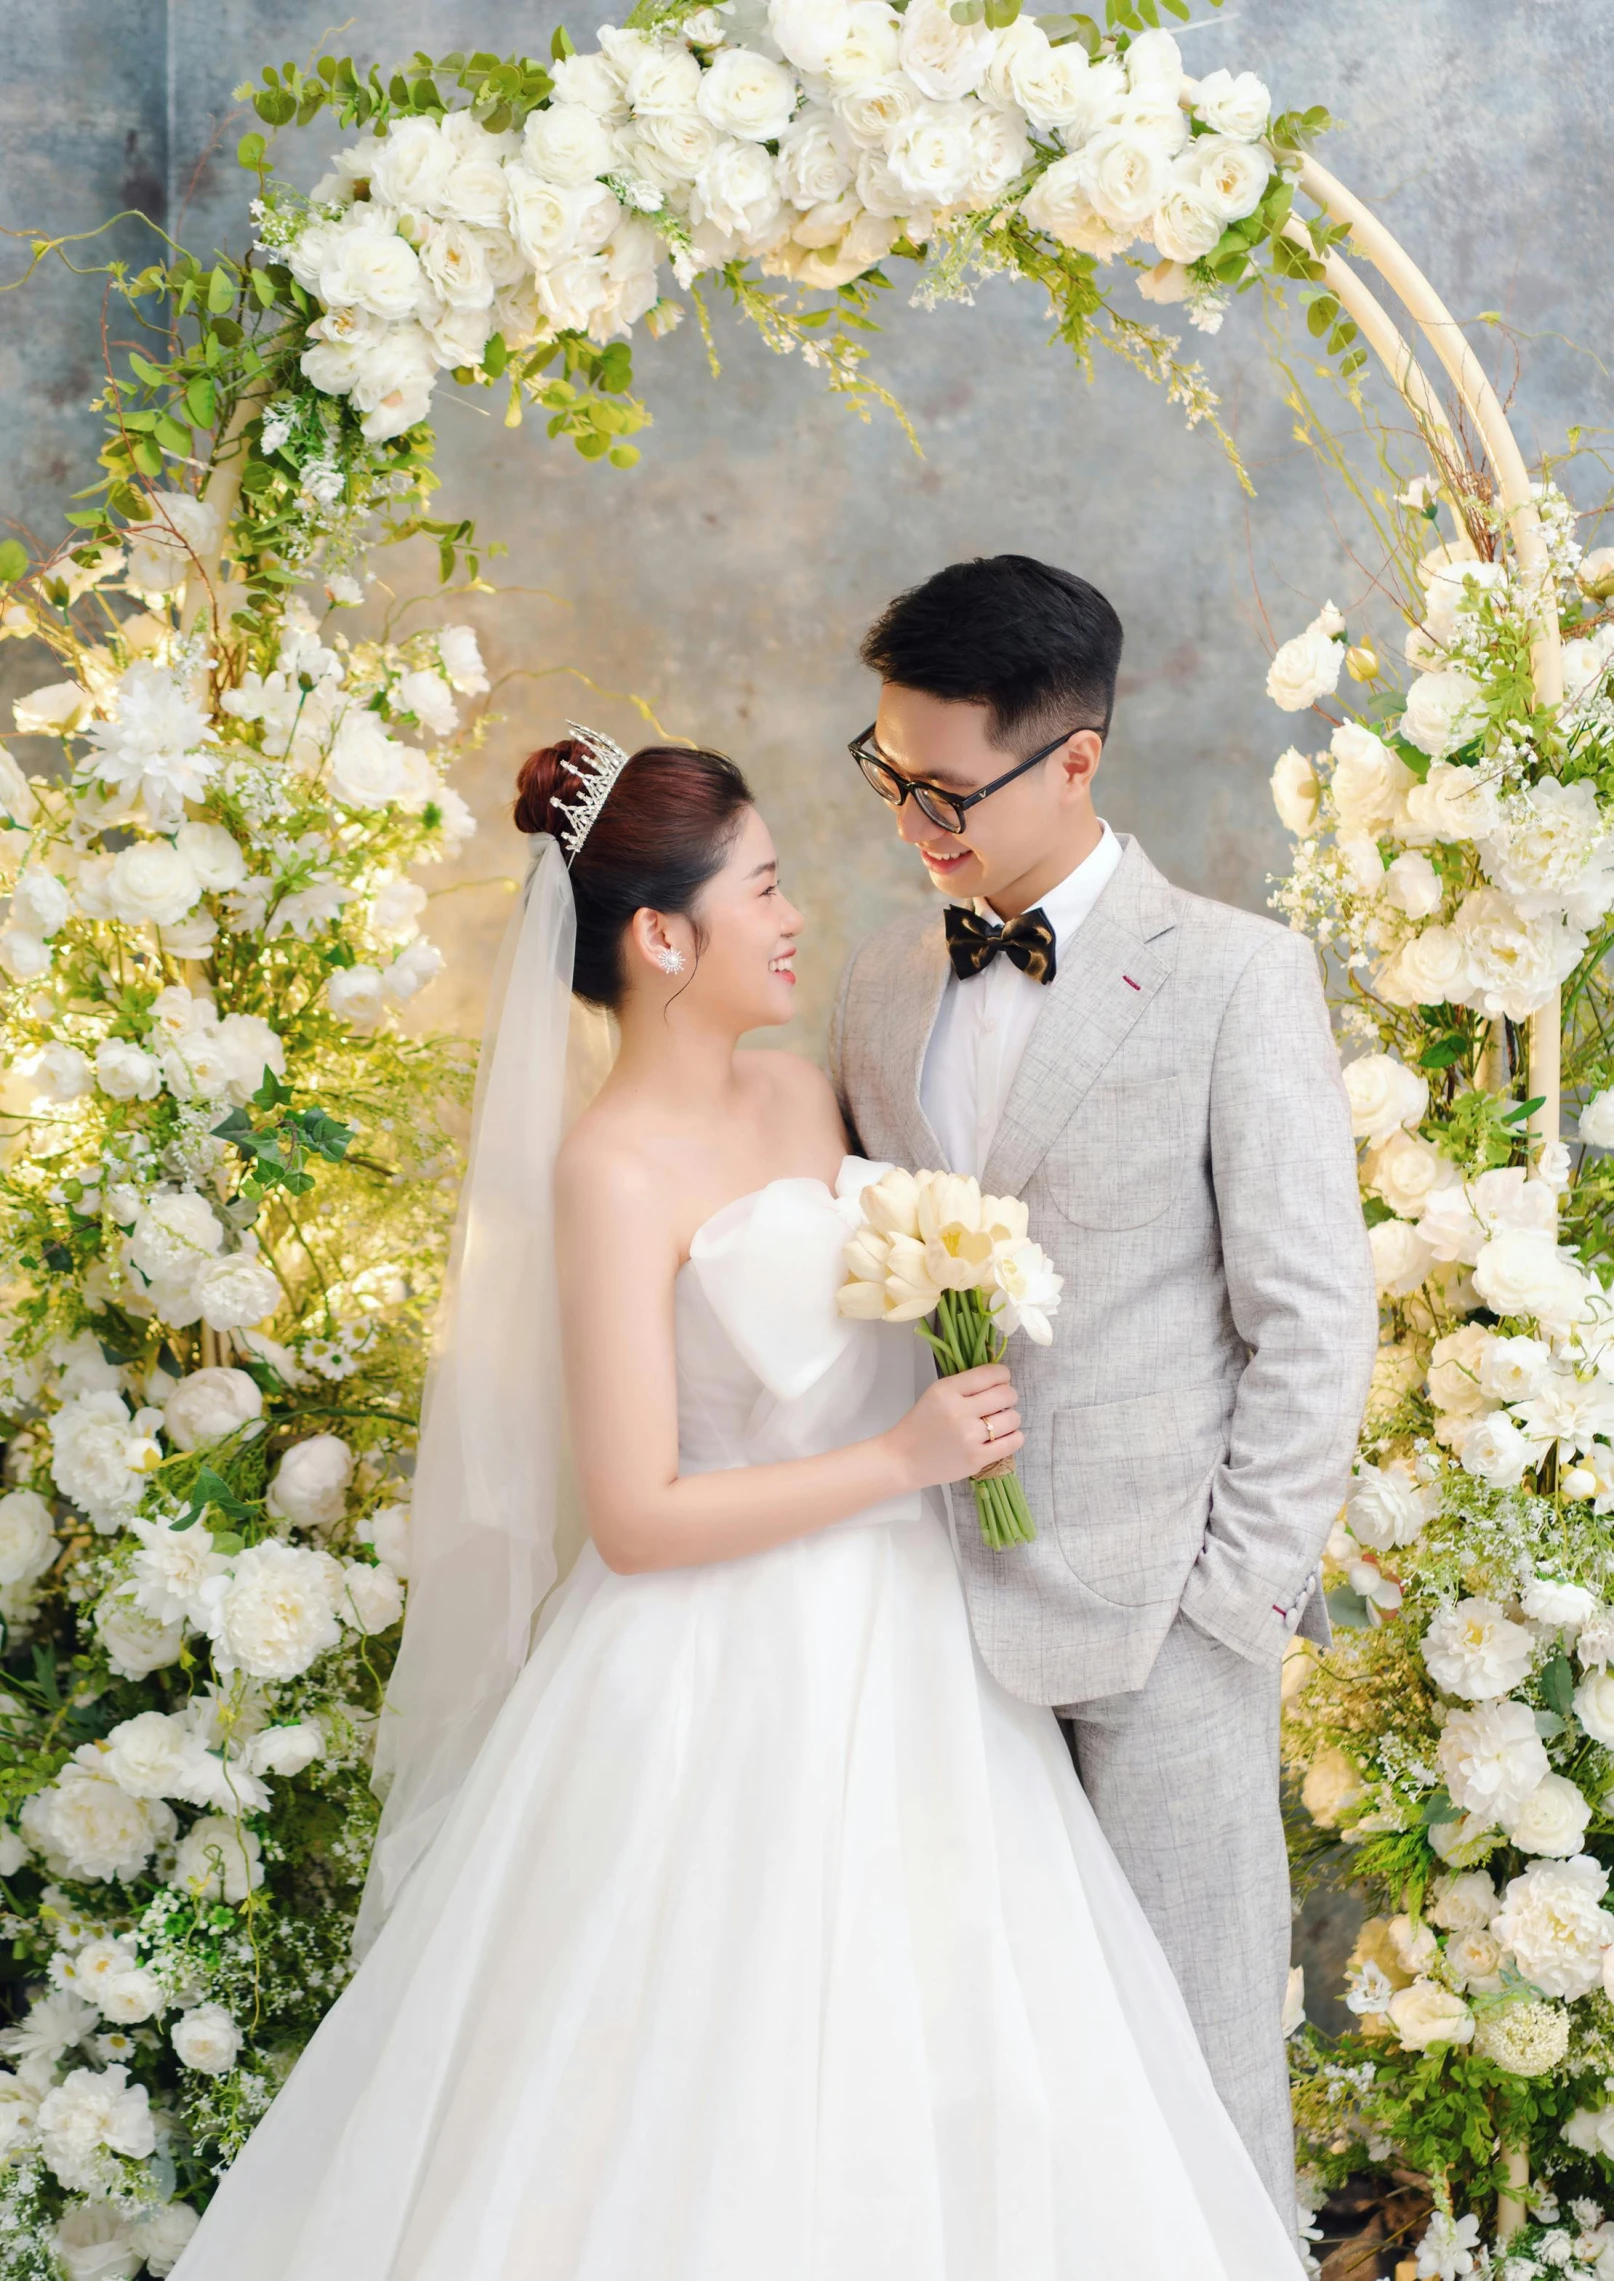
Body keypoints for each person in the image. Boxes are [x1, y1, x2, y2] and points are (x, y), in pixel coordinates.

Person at [172, 726, 1306, 2280]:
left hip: (919, 1641)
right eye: (761, 889)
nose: (794, 919)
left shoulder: (799, 1093)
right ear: (657, 935)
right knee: (707, 2058)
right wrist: (900, 1462)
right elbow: (636, 1512)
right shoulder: (609, 1172)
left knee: (966, 2035)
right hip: (719, 1654)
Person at [829, 554, 1378, 2232]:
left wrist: (1231, 1607)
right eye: (886, 776)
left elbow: (1311, 1317)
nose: (915, 823)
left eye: (946, 790)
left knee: (1198, 2084)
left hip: (1162, 1628)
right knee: (975, 2081)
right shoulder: (875, 981)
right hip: (926, 1628)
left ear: (1073, 760)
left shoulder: (1230, 976)